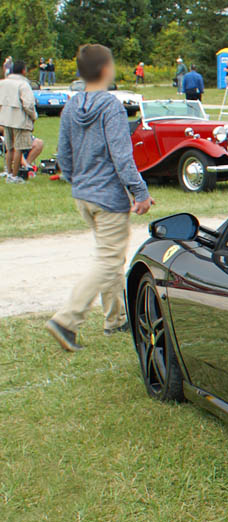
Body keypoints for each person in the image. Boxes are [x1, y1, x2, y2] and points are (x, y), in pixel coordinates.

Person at [45, 44, 154, 352]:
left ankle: (116, 319)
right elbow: (122, 156)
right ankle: (66, 320)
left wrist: (78, 181)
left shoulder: (71, 106)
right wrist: (140, 192)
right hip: (107, 198)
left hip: (84, 196)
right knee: (108, 260)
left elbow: (63, 155)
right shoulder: (111, 106)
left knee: (110, 255)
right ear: (106, 69)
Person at [1, 59, 39, 182]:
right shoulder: (23, 84)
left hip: (5, 119)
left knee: (9, 148)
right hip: (19, 120)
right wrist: (33, 116)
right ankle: (15, 175)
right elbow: (28, 104)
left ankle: (8, 173)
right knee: (19, 148)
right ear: (23, 71)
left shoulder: (3, 83)